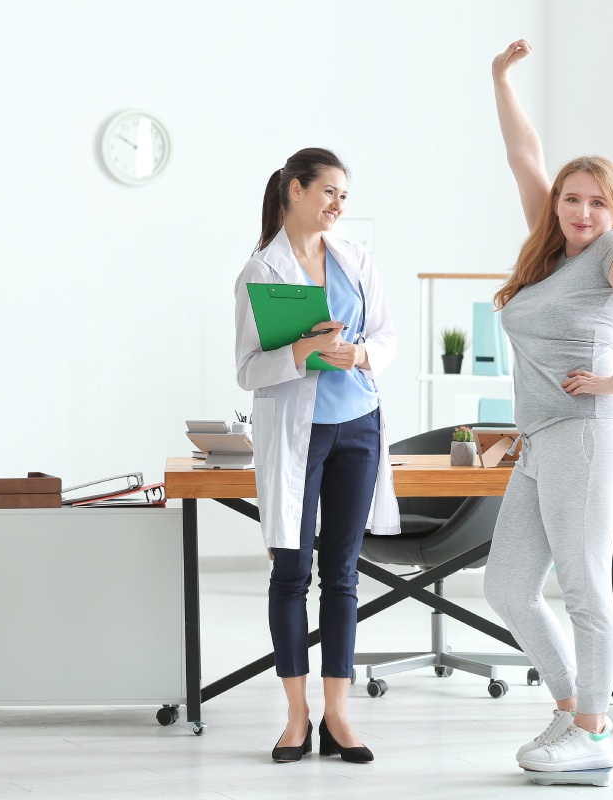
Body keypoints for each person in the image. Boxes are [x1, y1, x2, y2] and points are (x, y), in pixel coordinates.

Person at [481, 40, 613, 775]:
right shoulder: (549, 249)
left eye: (597, 200)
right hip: (540, 441)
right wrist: (500, 79)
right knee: (506, 586)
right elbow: (523, 154)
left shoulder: (612, 249)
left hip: (585, 437)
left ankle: (594, 735)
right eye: (572, 197)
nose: (582, 210)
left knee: (586, 584)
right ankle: (570, 705)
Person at [233, 147, 400, 764]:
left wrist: (359, 355)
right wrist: (302, 352)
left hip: (358, 427)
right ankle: (296, 717)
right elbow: (249, 370)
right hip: (297, 435)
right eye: (328, 192)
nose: (337, 205)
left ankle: (339, 715)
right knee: (291, 572)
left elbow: (385, 337)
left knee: (343, 575)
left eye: (344, 197)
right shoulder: (261, 271)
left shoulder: (357, 260)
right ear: (295, 190)